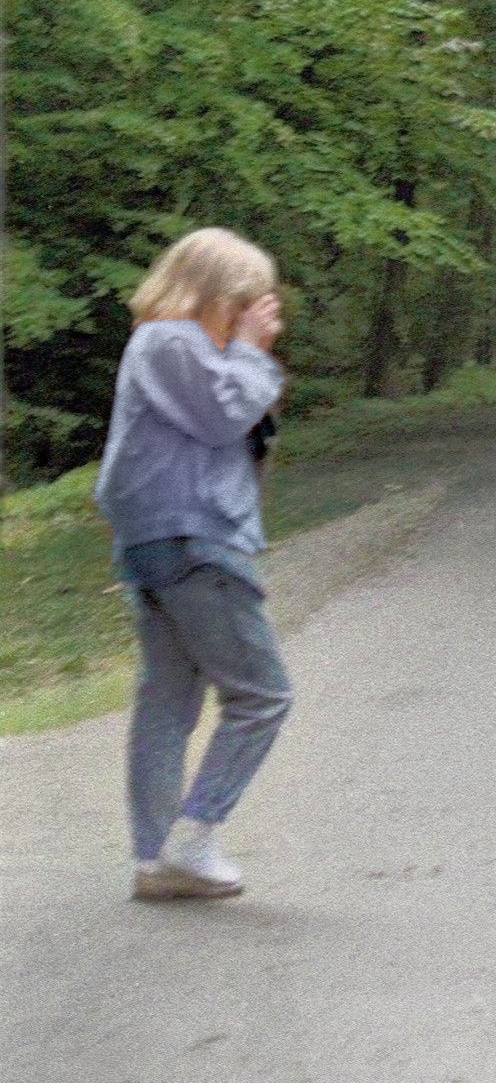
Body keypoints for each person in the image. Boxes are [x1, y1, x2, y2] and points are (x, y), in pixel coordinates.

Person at [92, 228, 293, 901]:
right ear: (213, 293)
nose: (256, 314)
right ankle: (191, 838)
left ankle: (154, 859)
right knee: (262, 695)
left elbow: (230, 430)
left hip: (160, 542)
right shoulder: (171, 340)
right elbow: (223, 417)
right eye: (246, 300)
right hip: (193, 540)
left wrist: (239, 356)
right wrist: (250, 352)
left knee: (168, 700)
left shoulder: (171, 348)